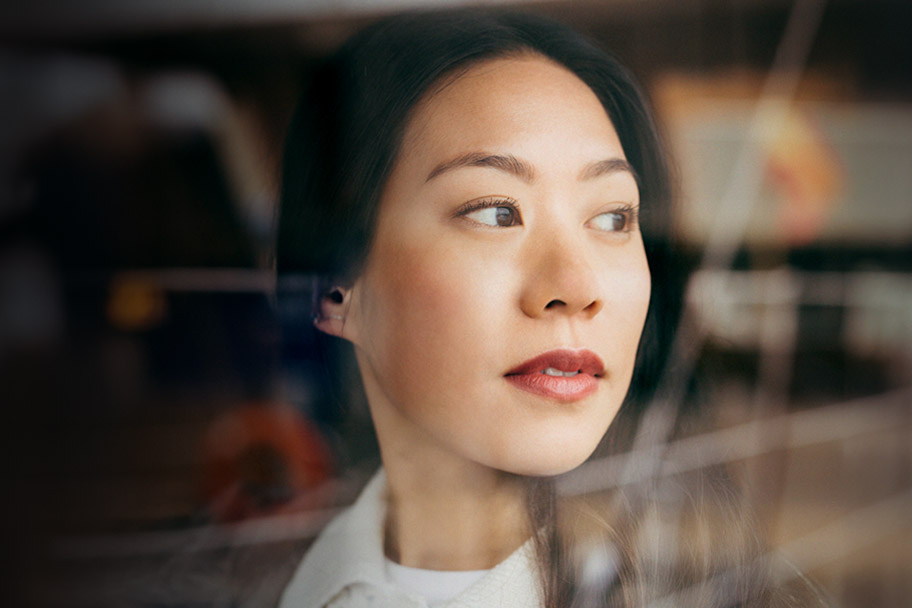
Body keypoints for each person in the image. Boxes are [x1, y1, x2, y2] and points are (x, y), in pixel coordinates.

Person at [275, 9, 822, 608]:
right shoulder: (254, 581)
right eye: (495, 212)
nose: (576, 285)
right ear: (335, 289)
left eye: (613, 218)